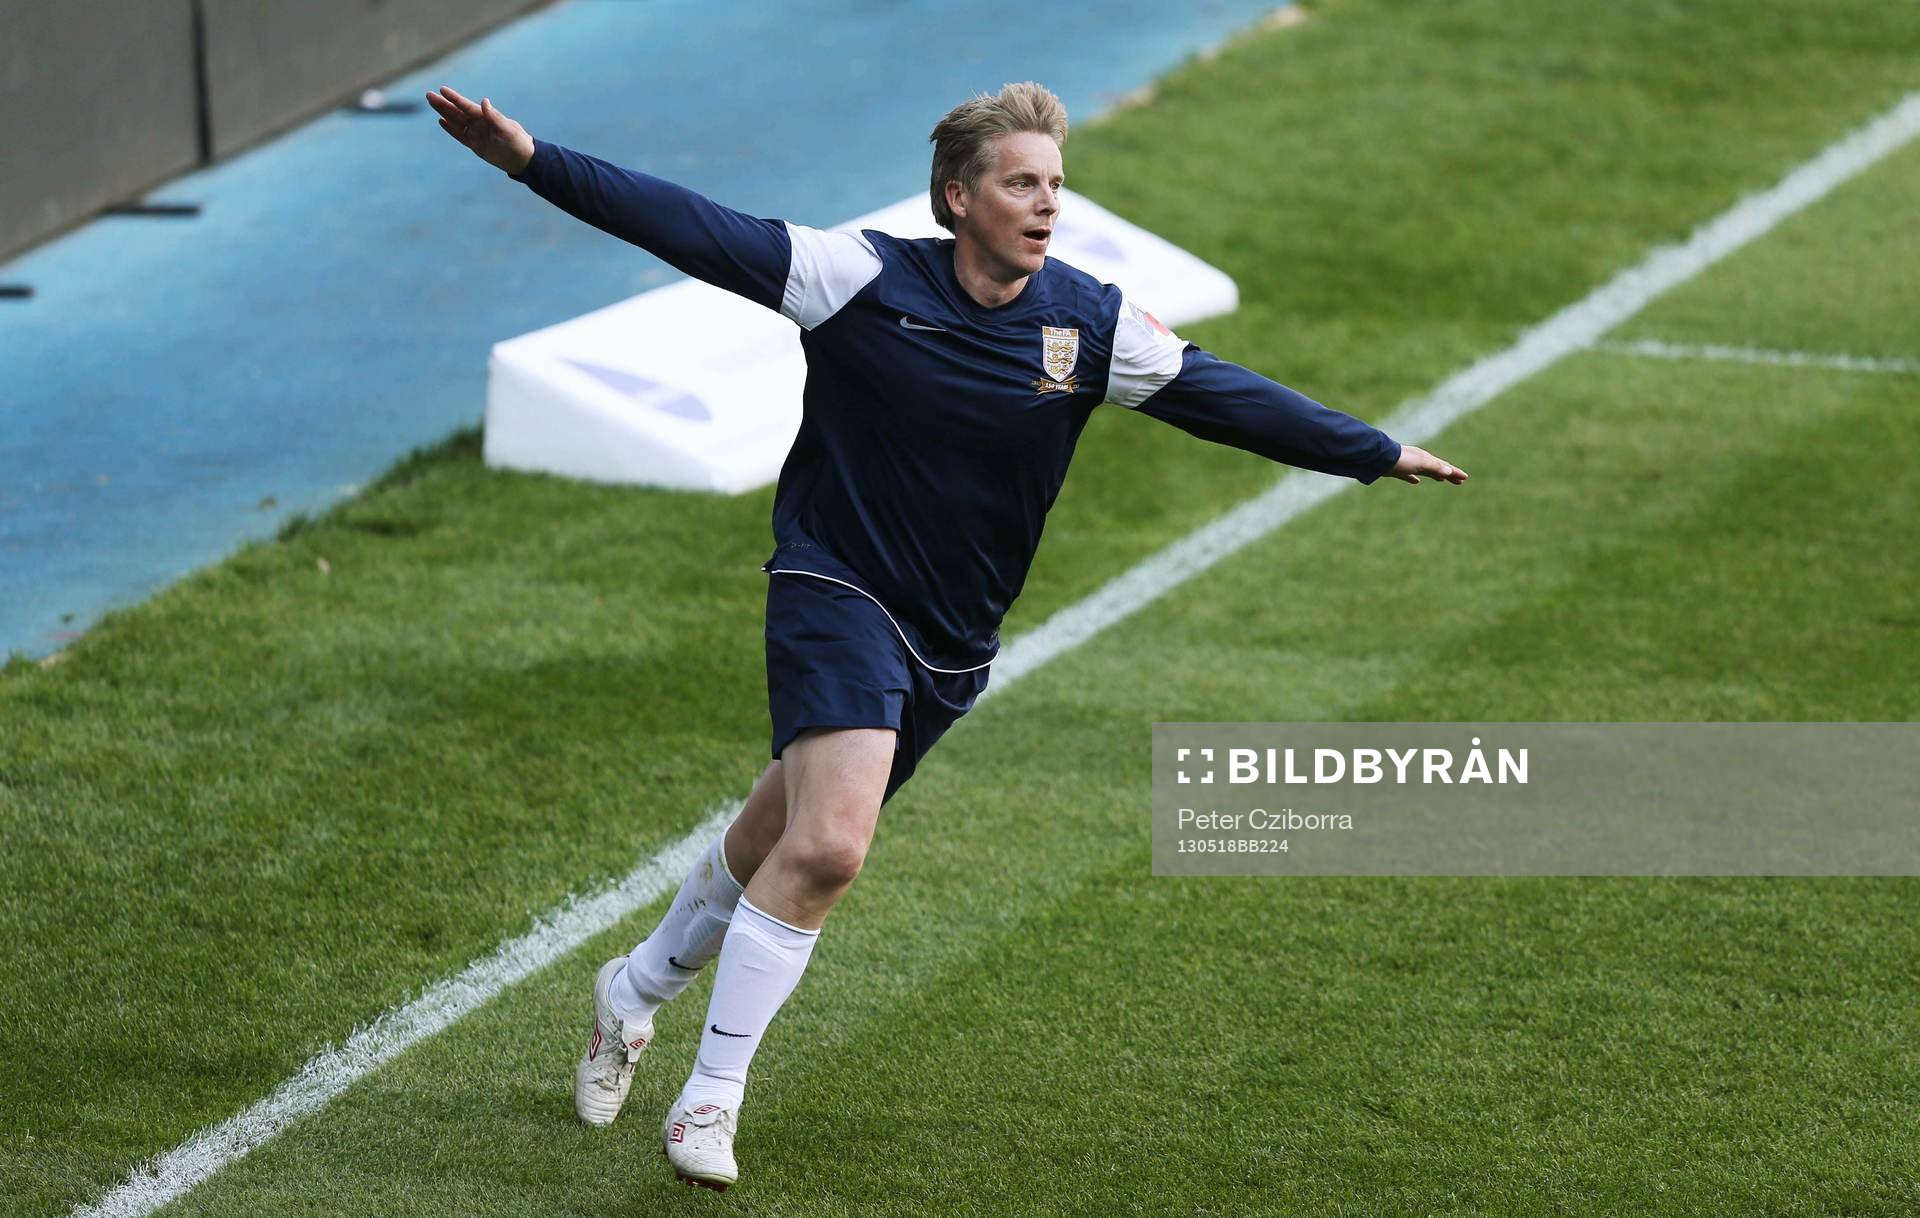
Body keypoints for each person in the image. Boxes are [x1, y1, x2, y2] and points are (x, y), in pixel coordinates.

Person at [427, 80, 1466, 1192]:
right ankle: (709, 1100)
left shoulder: (1088, 323)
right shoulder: (859, 279)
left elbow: (1222, 394)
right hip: (837, 586)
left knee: (777, 830)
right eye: (1022, 183)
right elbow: (690, 225)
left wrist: (1370, 449)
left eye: (1056, 185)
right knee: (829, 847)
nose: (1047, 203)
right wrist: (529, 158)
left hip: (953, 639)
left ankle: (632, 992)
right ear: (957, 197)